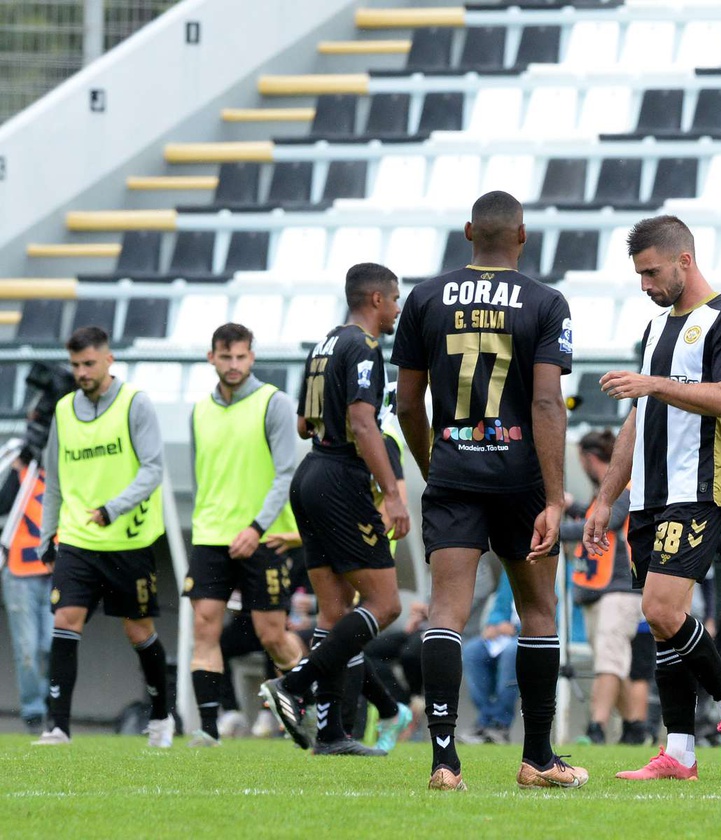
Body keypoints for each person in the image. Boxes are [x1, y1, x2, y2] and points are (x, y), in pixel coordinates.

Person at [393, 190, 587, 791]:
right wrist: (555, 499)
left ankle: (445, 762)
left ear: (469, 231)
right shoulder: (546, 301)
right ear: (522, 236)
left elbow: (405, 402)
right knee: (537, 610)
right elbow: (548, 401)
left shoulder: (424, 298)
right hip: (521, 477)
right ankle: (537, 759)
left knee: (447, 609)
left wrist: (435, 464)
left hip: (454, 470)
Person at [583, 214, 721, 782]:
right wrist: (605, 498)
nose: (644, 284)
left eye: (651, 271)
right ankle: (680, 751)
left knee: (661, 610)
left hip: (698, 488)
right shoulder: (656, 328)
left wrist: (653, 385)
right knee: (661, 623)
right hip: (647, 496)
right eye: (638, 274)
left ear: (684, 260)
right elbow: (638, 416)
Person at [260, 262, 409, 757]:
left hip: (310, 474)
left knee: (334, 612)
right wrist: (391, 491)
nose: (397, 308)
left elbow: (305, 423)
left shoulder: (323, 344)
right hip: (343, 478)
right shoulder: (365, 349)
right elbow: (364, 425)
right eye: (394, 299)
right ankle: (295, 684)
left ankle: (330, 734)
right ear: (374, 299)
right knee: (386, 604)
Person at [34, 326, 173, 747]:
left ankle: (162, 716)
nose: (82, 372)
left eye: (89, 363)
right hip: (78, 539)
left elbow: (152, 469)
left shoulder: (135, 404)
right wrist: (46, 535)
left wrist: (113, 508)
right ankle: (57, 726)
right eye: (75, 365)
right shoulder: (63, 411)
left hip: (128, 542)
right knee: (65, 621)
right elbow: (54, 480)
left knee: (138, 631)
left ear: (109, 359)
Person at [185, 323, 305, 747]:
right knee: (205, 630)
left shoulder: (274, 403)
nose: (233, 365)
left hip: (265, 536)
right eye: (225, 356)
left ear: (251, 357)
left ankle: (310, 710)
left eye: (241, 357)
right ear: (211, 357)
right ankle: (207, 728)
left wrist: (256, 527)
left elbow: (286, 474)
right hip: (211, 536)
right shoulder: (199, 411)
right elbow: (203, 477)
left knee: (272, 634)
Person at [561, 428, 649, 747]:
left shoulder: (624, 490)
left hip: (621, 589)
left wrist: (555, 531)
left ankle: (596, 728)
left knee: (609, 662)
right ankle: (635, 726)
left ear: (588, 459)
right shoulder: (601, 495)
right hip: (598, 590)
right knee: (612, 664)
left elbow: (607, 521)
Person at [1, 457, 53, 734]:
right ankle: (34, 713)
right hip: (20, 572)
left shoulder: (63, 468)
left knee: (53, 645)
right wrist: (18, 466)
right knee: (27, 650)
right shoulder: (21, 470)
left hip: (54, 570)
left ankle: (50, 701)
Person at [460, 571, 519, 744]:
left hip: (530, 634)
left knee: (511, 652)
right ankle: (486, 720)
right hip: (504, 634)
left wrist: (517, 628)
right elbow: (500, 605)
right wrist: (494, 624)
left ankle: (500, 723)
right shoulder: (509, 569)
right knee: (472, 651)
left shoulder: (554, 568)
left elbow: (553, 611)